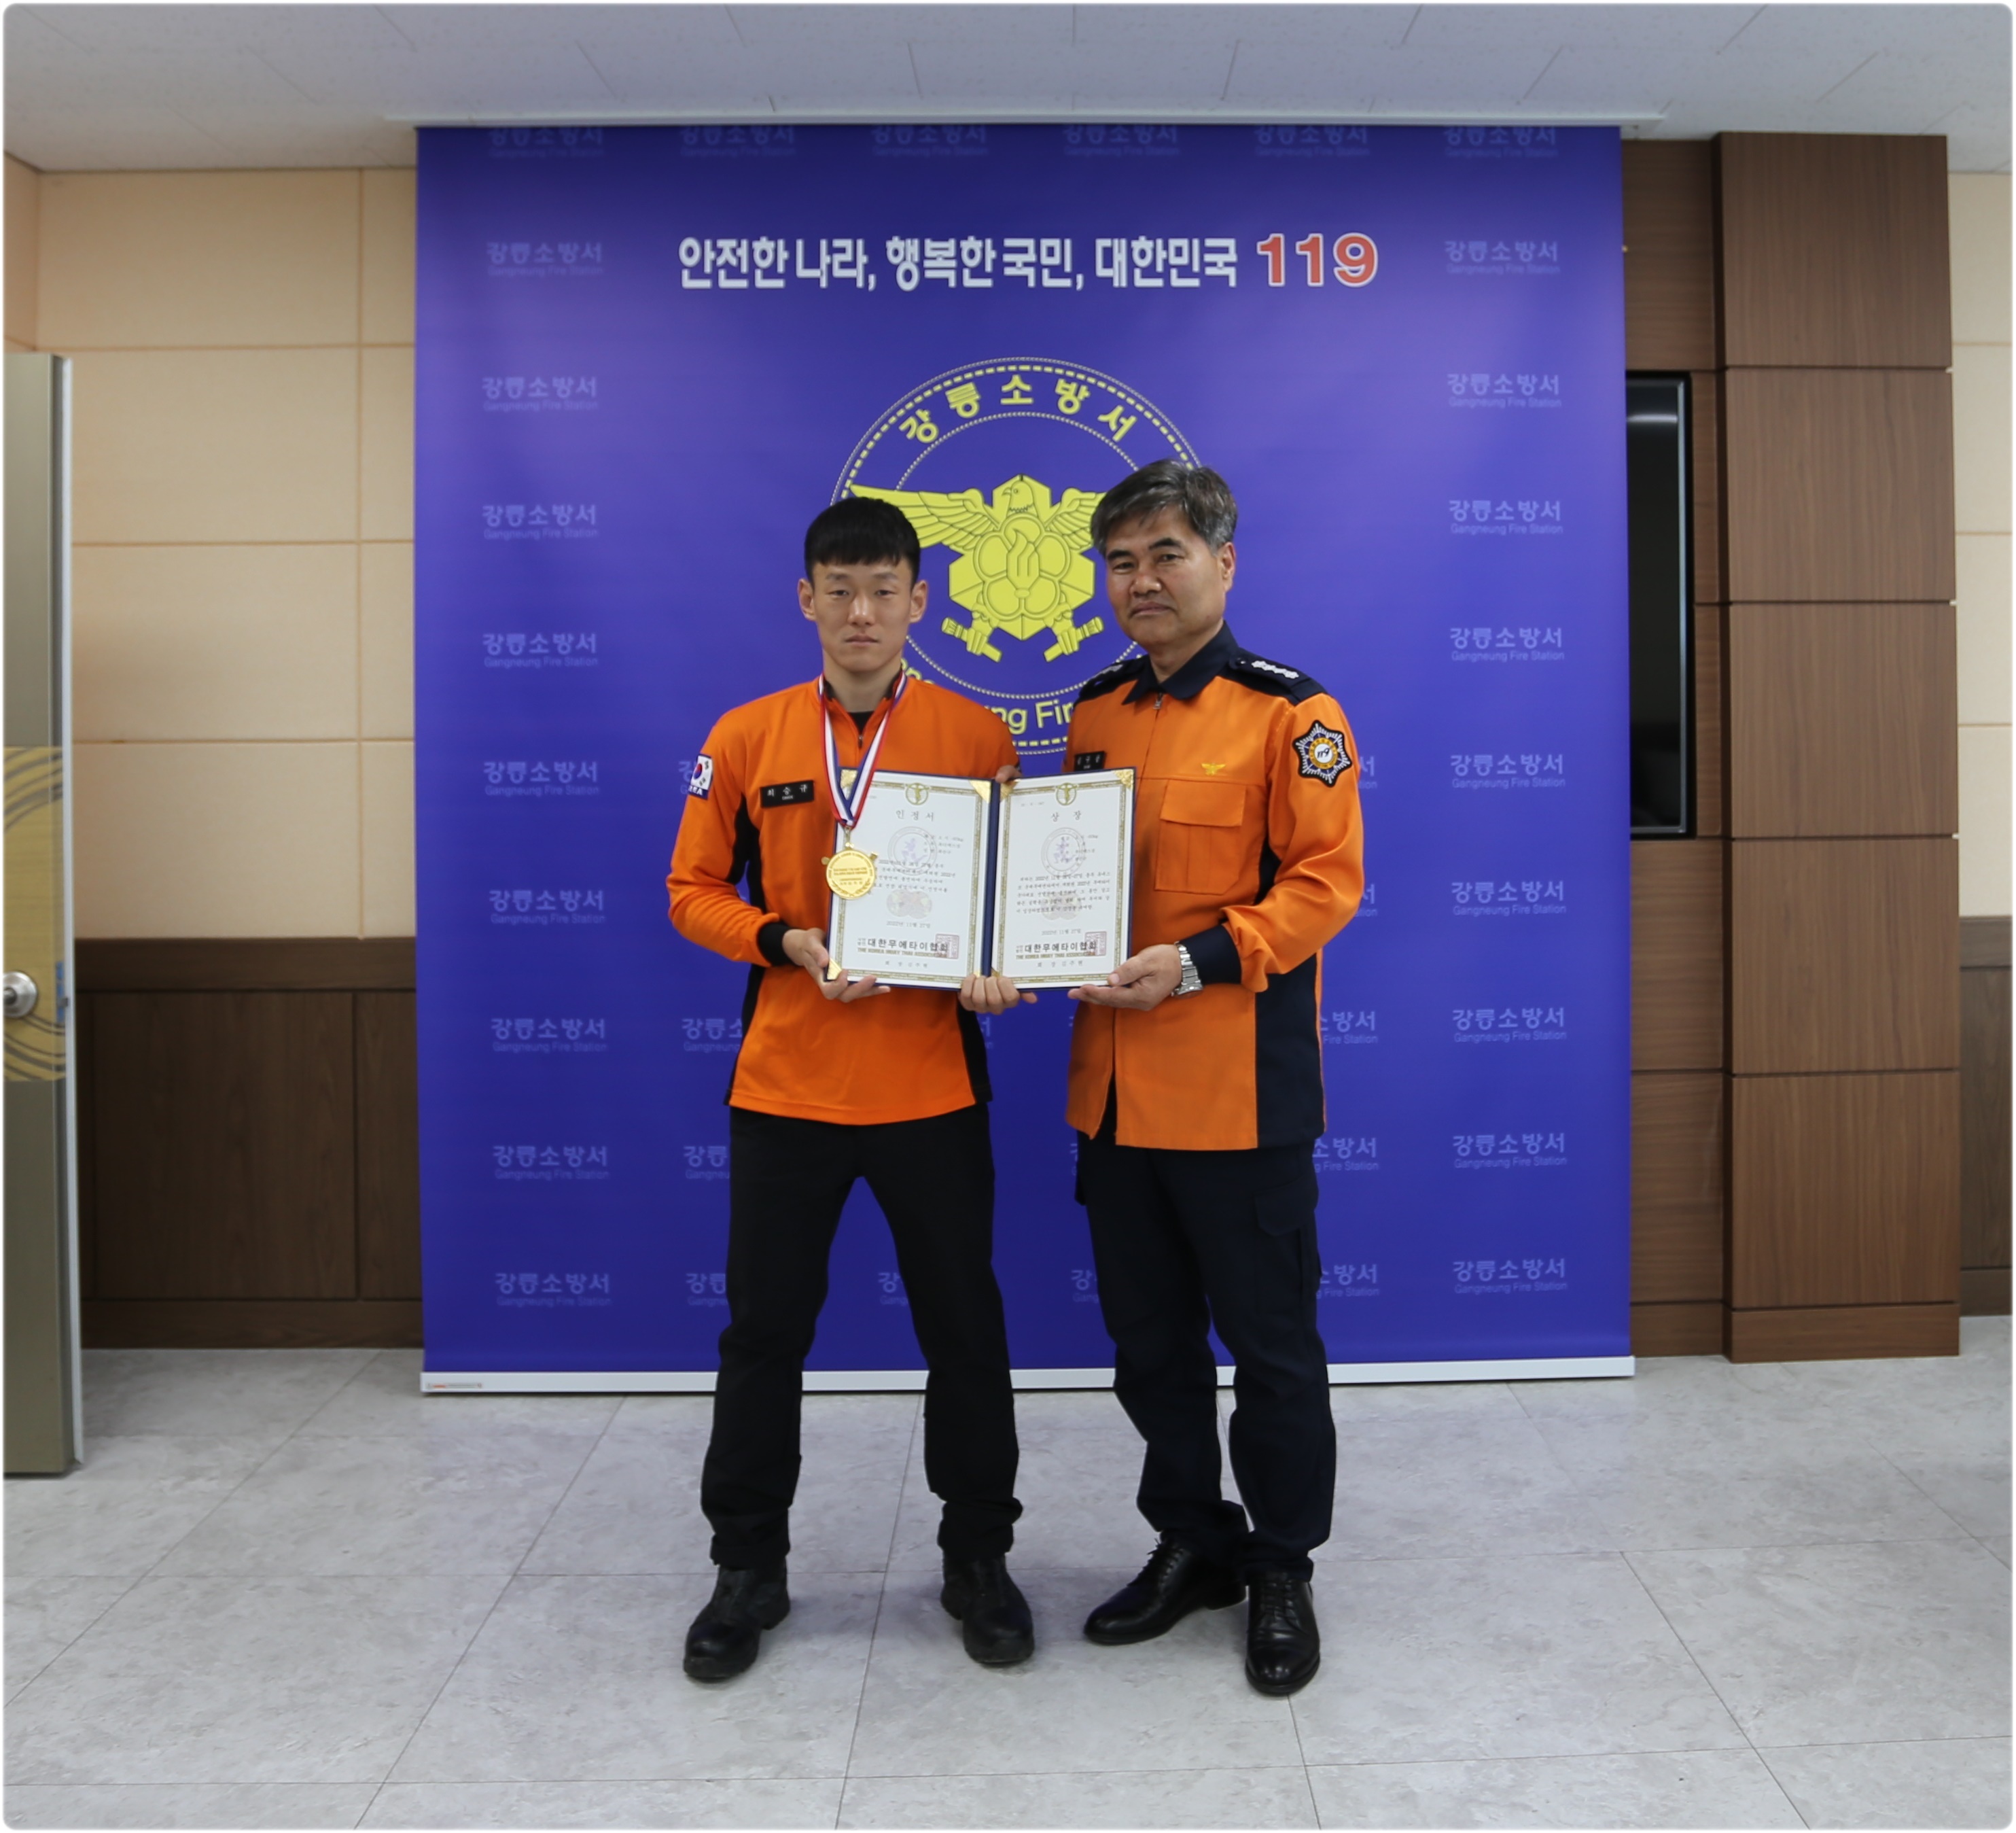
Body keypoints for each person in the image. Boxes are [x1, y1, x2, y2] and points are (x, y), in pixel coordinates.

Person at [666, 497, 1034, 1681]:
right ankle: (747, 1565)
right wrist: (783, 941)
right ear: (807, 599)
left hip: (931, 1086)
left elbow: (1010, 897)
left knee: (964, 1330)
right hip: (787, 1088)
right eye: (840, 589)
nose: (862, 612)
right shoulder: (746, 735)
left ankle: (979, 1557)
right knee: (762, 1334)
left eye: (884, 589)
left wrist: (995, 966)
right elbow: (690, 890)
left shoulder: (976, 735)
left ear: (920, 601)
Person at [1069, 459, 1364, 1695]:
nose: (1142, 580)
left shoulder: (1293, 713)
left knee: (1273, 1351)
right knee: (1150, 1350)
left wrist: (1193, 963)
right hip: (1115, 1097)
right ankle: (1192, 1537)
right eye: (1121, 561)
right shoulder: (1094, 711)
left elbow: (1324, 886)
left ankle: (1283, 1562)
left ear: (1224, 564)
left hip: (1239, 1097)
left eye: (1167, 555)